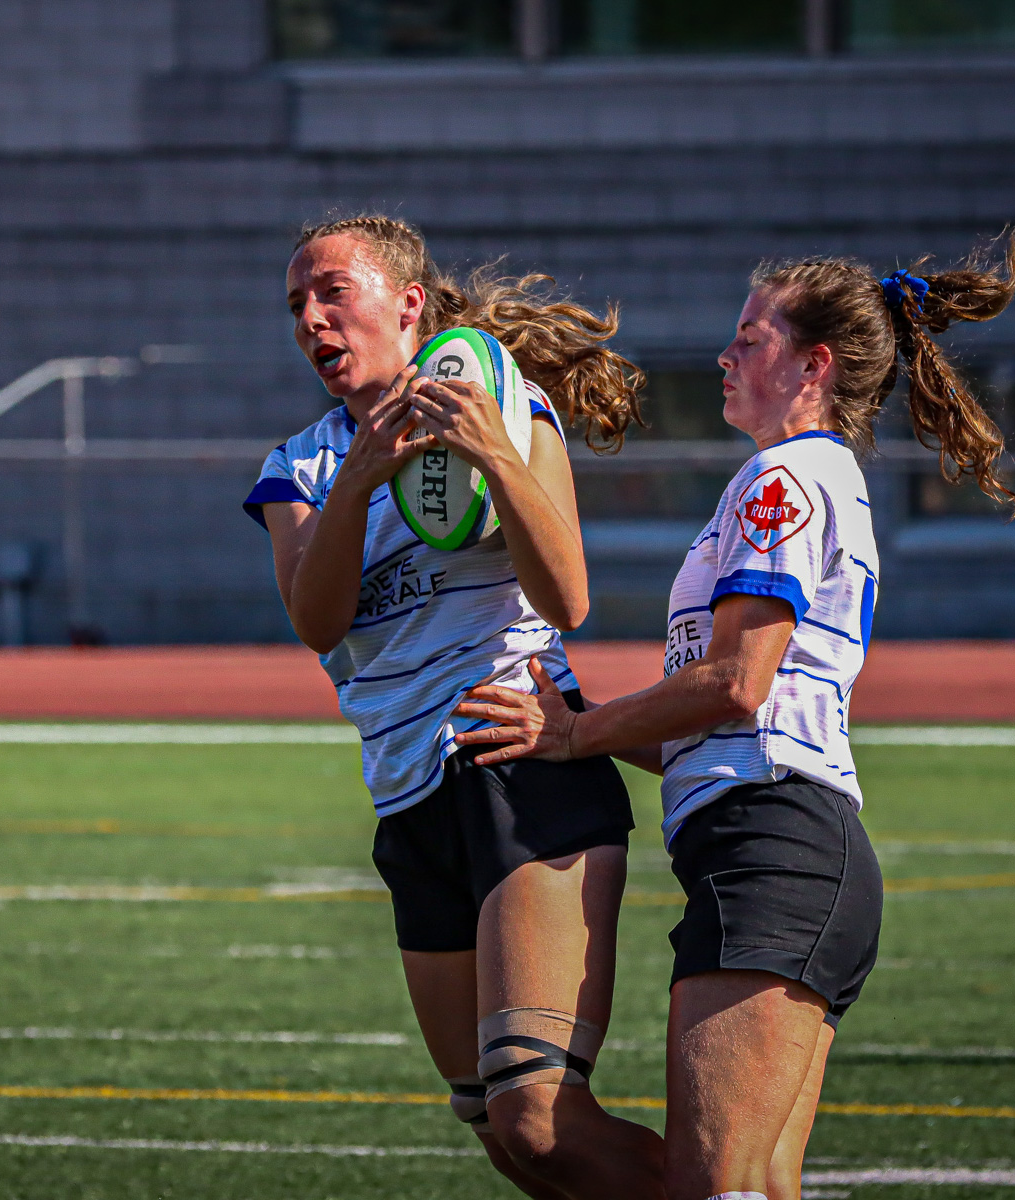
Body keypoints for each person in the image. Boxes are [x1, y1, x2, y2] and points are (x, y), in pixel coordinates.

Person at [454, 235, 1015, 1200]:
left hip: (775, 848)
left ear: (815, 365)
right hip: (779, 846)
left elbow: (735, 685)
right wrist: (577, 716)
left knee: (711, 1185)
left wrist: (577, 733)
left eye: (749, 338)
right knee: (747, 1187)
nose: (726, 355)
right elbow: (711, 725)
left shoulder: (783, 481)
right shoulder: (796, 477)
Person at [245, 214, 663, 1200]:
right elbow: (317, 620)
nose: (311, 317)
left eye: (333, 291)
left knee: (541, 1117)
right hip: (406, 802)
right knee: (498, 1129)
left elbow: (568, 600)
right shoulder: (299, 466)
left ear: (409, 304)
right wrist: (364, 473)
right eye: (296, 303)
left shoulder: (504, 404)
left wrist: (494, 452)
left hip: (515, 763)